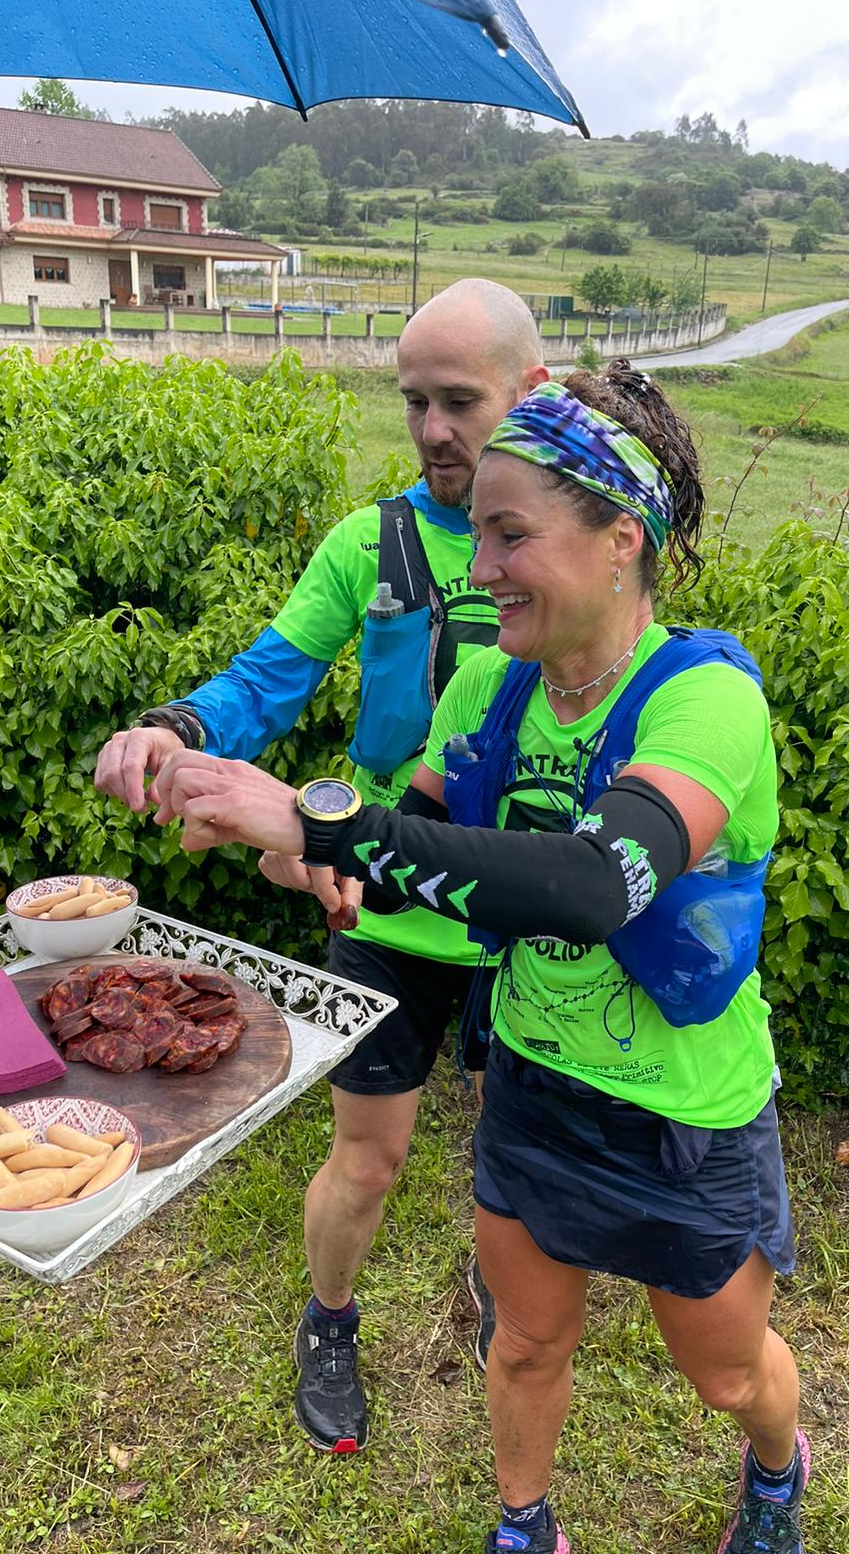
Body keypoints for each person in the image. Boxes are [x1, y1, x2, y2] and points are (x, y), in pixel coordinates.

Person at [146, 363, 808, 1554]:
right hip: (535, 1090)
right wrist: (311, 857)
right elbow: (416, 835)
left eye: (512, 534)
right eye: (480, 532)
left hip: (687, 1119)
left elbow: (601, 882)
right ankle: (523, 1523)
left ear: (621, 539)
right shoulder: (493, 687)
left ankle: (775, 1467)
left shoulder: (704, 698)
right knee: (525, 1339)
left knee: (726, 1376)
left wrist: (320, 823)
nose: (482, 564)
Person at [94, 278, 549, 1454]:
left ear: (531, 394)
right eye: (415, 403)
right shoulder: (374, 543)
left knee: (516, 1140)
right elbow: (268, 675)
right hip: (383, 901)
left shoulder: (575, 549)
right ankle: (330, 1317)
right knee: (371, 1152)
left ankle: (503, 1291)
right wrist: (183, 731)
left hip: (521, 909)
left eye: (463, 399)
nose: (438, 430)